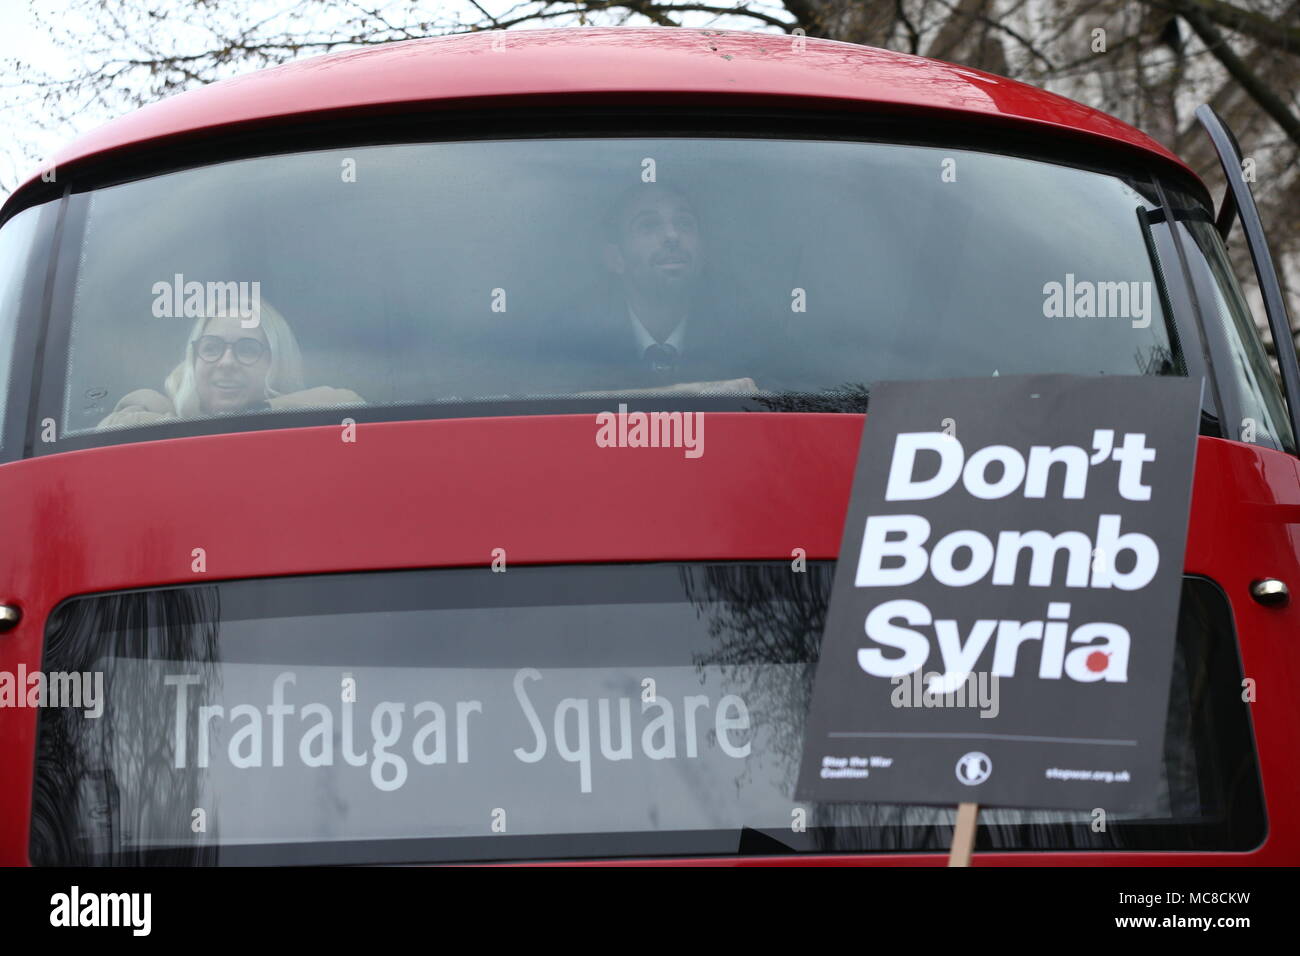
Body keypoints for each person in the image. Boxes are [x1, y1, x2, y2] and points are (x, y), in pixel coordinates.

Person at [534, 184, 789, 394]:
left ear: (703, 253)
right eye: (648, 225)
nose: (672, 235)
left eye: (684, 223)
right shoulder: (570, 342)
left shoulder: (749, 335)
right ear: (615, 258)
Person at [97, 301, 363, 429]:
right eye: (211, 348)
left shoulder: (314, 419)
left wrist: (259, 413)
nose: (226, 363)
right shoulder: (148, 408)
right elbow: (110, 428)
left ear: (278, 361)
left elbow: (351, 405)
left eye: (247, 350)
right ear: (194, 360)